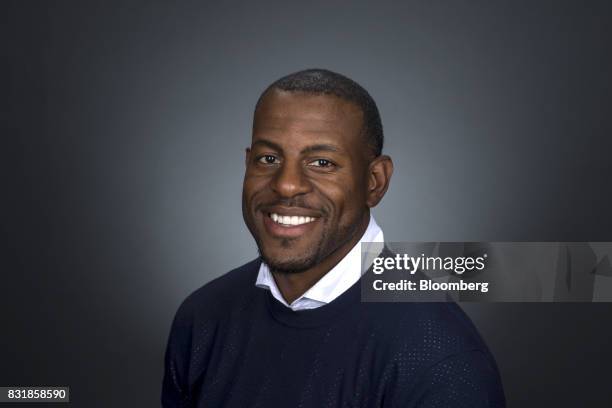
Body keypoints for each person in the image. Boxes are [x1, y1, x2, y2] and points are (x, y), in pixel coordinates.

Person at [162, 69, 506, 407]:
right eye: (269, 159)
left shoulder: (438, 358)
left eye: (322, 162)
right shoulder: (202, 319)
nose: (286, 184)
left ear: (375, 181)